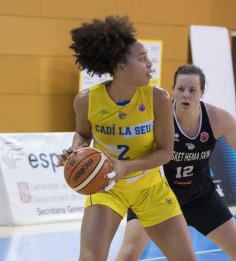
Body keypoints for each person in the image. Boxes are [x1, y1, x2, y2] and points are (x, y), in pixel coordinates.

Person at [58, 16, 196, 261]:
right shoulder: (86, 100)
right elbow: (83, 134)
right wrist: (75, 151)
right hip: (108, 188)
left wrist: (125, 167)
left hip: (150, 188)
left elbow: (165, 152)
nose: (150, 64)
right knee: (90, 258)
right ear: (121, 66)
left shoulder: (158, 99)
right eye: (142, 59)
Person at [116, 64, 236, 261]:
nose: (186, 95)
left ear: (202, 92)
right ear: (173, 90)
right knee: (128, 254)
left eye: (192, 90)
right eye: (181, 89)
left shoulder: (218, 118)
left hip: (200, 197)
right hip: (156, 195)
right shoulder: (156, 116)